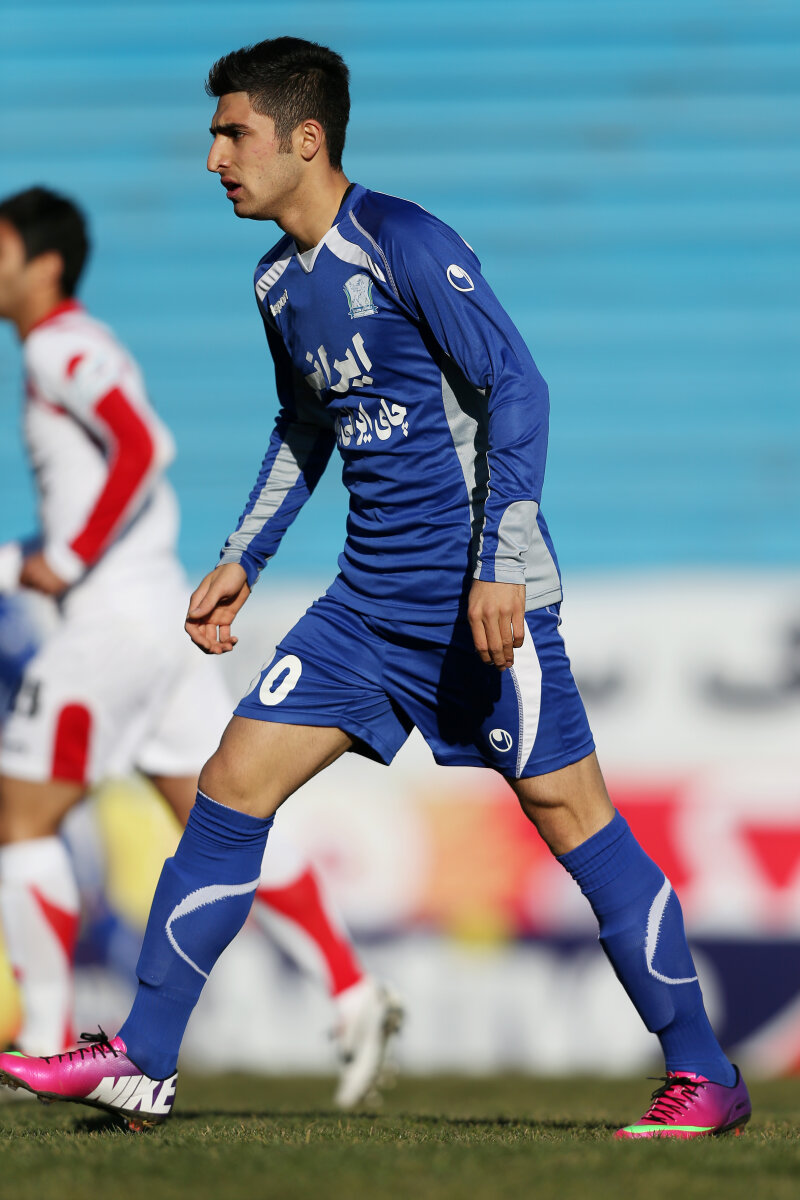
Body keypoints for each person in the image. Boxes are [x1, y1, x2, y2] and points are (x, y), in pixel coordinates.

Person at [0, 39, 751, 1139]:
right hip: (363, 608)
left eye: (233, 133)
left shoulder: (403, 242)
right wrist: (244, 557)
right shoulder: (275, 284)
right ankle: (144, 1059)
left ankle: (704, 1074)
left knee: (573, 819)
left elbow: (517, 386)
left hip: (475, 602)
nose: (213, 158)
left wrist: (500, 565)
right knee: (231, 781)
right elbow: (305, 425)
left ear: (305, 140)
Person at [0, 186, 402, 1109]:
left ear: (43, 264)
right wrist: (35, 558)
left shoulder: (59, 347)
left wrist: (68, 557)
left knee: (20, 817)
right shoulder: (74, 346)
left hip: (109, 627)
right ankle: (352, 990)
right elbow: (99, 496)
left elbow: (143, 446)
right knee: (223, 817)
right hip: (151, 618)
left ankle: (42, 1041)